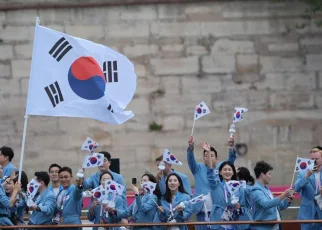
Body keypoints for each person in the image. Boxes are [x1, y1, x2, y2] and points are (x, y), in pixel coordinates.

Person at [187, 136, 237, 229]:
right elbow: (190, 160)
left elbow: (230, 161)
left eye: (211, 155)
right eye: (206, 155)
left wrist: (231, 147)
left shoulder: (221, 169)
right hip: (202, 208)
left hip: (218, 209)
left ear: (216, 158)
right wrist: (190, 148)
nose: (208, 157)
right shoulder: (198, 168)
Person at [205, 143, 245, 230]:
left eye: (229, 170)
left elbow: (244, 209)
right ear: (220, 172)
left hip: (233, 225)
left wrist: (239, 208)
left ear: (233, 172)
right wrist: (208, 153)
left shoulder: (238, 188)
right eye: (225, 170)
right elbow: (210, 174)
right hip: (217, 224)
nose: (227, 172)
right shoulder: (215, 185)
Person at [251, 161, 293, 230]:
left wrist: (287, 201)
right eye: (269, 174)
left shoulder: (266, 189)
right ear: (262, 175)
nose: (271, 176)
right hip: (263, 227)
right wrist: (283, 195)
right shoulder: (256, 190)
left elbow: (276, 207)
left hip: (274, 226)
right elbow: (266, 204)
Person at [295, 146, 322, 230]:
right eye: (312, 159)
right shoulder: (303, 172)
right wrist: (306, 176)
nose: (314, 161)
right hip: (307, 212)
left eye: (316, 159)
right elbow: (296, 188)